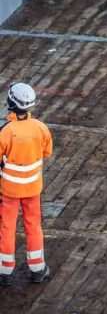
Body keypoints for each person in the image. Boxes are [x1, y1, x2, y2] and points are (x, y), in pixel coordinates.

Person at [0, 82, 53, 286]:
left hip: (9, 191)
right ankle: (38, 268)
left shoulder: (6, 131)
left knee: (7, 227)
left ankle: (4, 271)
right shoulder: (40, 128)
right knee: (33, 226)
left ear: (11, 103)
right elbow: (47, 152)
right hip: (33, 188)